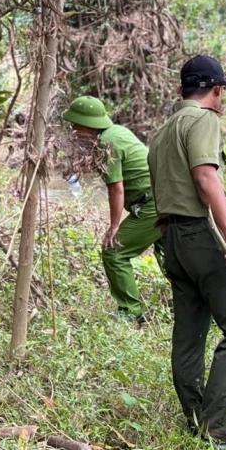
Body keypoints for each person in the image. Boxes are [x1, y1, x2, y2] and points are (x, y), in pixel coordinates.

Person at [147, 55, 226, 450]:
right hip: (200, 234)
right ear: (216, 90)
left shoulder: (161, 133)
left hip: (172, 240)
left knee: (189, 331)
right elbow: (205, 176)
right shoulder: (203, 120)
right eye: (222, 90)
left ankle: (194, 415)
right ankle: (217, 431)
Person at [61, 95, 163, 323]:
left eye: (75, 126)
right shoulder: (116, 132)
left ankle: (130, 312)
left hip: (152, 205)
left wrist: (114, 226)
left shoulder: (107, 143)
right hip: (163, 200)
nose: (73, 132)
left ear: (87, 126)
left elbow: (116, 188)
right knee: (171, 256)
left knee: (114, 250)